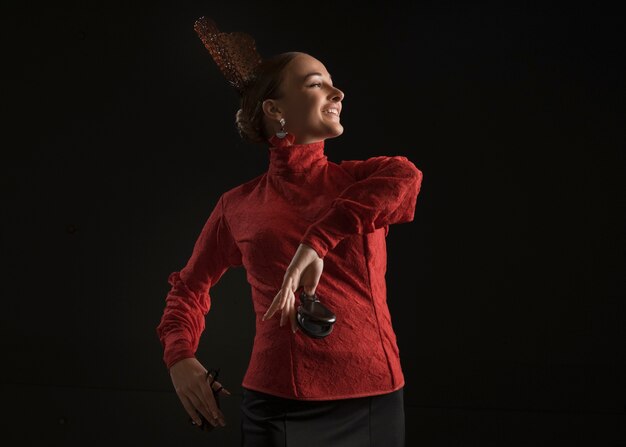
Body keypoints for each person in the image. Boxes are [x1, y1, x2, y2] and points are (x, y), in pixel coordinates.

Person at [156, 17, 423, 447]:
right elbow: (188, 290)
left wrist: (316, 242)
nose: (337, 93)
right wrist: (179, 357)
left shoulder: (361, 182)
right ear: (275, 109)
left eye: (333, 84)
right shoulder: (237, 205)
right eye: (317, 84)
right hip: (277, 402)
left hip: (373, 399)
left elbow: (407, 178)